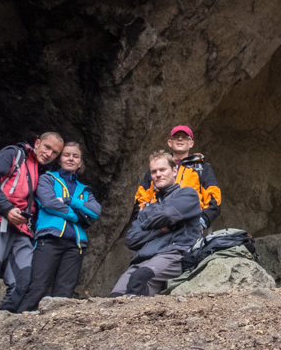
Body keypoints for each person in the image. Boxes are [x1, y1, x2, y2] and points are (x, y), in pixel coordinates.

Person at [0, 132, 64, 313]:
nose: (49, 154)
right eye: (47, 147)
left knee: (22, 281)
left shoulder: (41, 171)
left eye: (55, 153)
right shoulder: (14, 154)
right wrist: (7, 209)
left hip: (22, 230)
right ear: (37, 143)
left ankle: (2, 322)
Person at [16, 141, 102, 312]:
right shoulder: (47, 178)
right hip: (50, 238)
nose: (71, 158)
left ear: (80, 163)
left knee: (64, 291)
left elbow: (96, 211)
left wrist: (71, 201)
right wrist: (77, 215)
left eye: (75, 156)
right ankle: (19, 322)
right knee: (37, 286)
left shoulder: (84, 189)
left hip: (76, 244)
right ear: (59, 159)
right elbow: (48, 202)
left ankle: (56, 329)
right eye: (67, 155)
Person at [111, 151, 202, 296]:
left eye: (162, 170)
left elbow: (168, 215)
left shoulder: (187, 194)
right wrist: (160, 230)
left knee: (139, 279)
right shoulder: (148, 208)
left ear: (174, 171)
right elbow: (131, 240)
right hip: (142, 259)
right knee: (115, 296)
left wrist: (146, 226)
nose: (158, 174)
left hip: (174, 255)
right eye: (154, 172)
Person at [133, 125, 221, 232]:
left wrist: (201, 222)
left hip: (189, 225)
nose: (180, 139)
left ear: (191, 143)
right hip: (157, 225)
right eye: (176, 137)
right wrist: (145, 222)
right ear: (169, 142)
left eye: (185, 137)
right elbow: (141, 198)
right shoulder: (158, 168)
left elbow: (214, 200)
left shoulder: (201, 168)